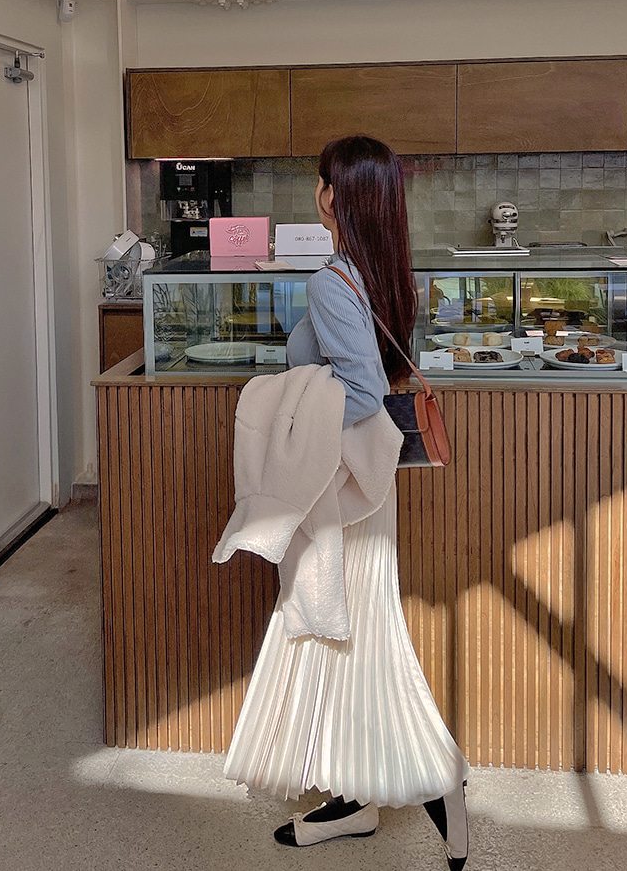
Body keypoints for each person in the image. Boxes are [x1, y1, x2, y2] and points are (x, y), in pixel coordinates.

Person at [221, 135, 470, 869]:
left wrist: (286, 397)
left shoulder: (333, 281)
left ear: (339, 196)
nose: (318, 191)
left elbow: (359, 392)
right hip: (367, 486)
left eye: (323, 181)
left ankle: (439, 775)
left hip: (344, 493)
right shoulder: (384, 270)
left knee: (352, 638)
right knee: (350, 640)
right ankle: (357, 799)